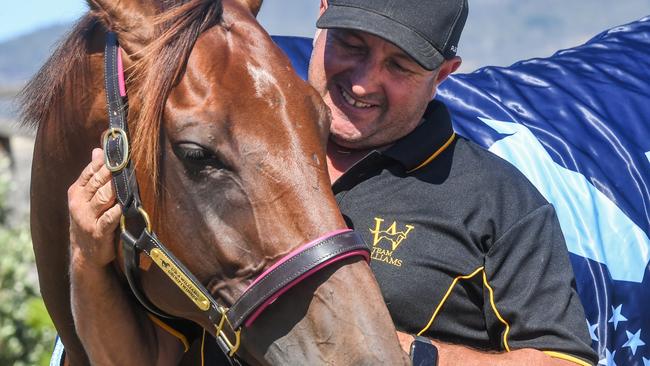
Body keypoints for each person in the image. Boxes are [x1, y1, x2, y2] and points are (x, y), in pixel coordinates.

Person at [67, 0, 598, 365]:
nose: (364, 80)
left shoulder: (497, 199)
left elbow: (564, 359)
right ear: (321, 14)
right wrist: (90, 262)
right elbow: (151, 355)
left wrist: (406, 355)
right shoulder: (233, 158)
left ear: (444, 74)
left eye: (400, 65)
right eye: (351, 44)